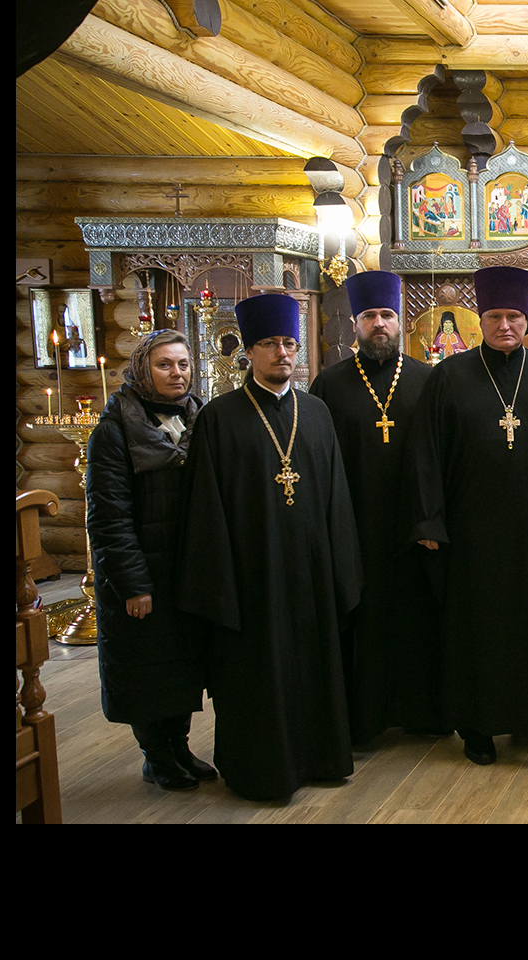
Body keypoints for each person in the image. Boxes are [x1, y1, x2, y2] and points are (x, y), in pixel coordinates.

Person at [178, 293, 362, 801]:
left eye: (288, 343)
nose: (282, 353)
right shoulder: (219, 418)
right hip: (252, 575)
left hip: (310, 570)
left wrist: (341, 570)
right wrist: (220, 587)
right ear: (249, 352)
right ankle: (261, 771)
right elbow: (206, 510)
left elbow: (337, 498)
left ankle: (321, 758)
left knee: (313, 666)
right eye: (269, 344)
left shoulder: (316, 412)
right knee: (259, 673)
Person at [408, 266, 528, 766]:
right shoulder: (449, 376)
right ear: (480, 320)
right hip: (472, 527)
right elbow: (426, 452)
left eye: (514, 317)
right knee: (478, 628)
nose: (505, 325)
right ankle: (476, 723)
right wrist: (429, 520)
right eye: (496, 317)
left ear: (527, 320)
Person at [307, 270, 442, 744]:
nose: (379, 324)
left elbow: (441, 456)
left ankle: (422, 714)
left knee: (416, 619)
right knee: (360, 620)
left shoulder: (429, 380)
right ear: (355, 324)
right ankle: (362, 720)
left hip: (413, 526)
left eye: (387, 315)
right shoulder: (328, 386)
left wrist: (431, 519)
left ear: (400, 321)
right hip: (355, 525)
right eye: (369, 316)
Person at [86, 329, 210, 790]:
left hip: (183, 569)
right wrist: (133, 583)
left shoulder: (198, 416)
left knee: (180, 665)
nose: (176, 373)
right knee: (145, 669)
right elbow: (108, 516)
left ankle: (179, 746)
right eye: (164, 365)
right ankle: (155, 755)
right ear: (142, 369)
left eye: (182, 364)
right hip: (140, 574)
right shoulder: (115, 428)